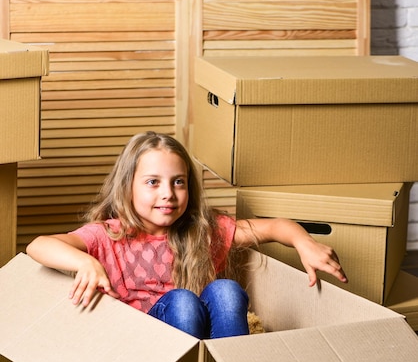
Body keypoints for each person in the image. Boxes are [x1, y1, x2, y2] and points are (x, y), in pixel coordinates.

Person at [26, 131, 347, 339]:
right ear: (127, 187)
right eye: (153, 182)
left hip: (206, 351)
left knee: (226, 291)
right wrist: (86, 263)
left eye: (178, 182)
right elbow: (38, 245)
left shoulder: (202, 232)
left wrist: (305, 243)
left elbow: (274, 226)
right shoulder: (108, 235)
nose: (168, 193)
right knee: (181, 301)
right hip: (144, 352)